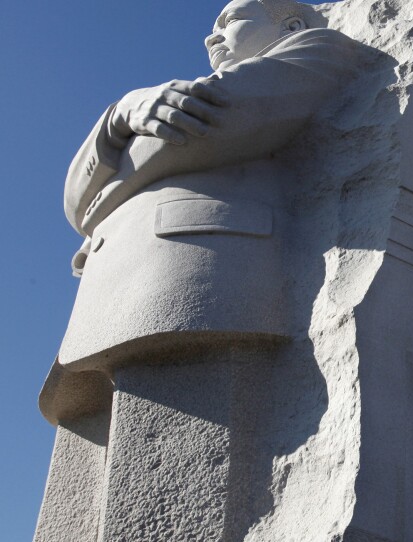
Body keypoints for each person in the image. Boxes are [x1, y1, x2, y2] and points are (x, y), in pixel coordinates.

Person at [41, 0, 374, 423]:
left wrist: (98, 197)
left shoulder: (321, 47)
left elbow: (204, 127)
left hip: (193, 280)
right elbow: (73, 203)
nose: (210, 36)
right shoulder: (147, 106)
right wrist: (122, 114)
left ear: (291, 25)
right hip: (109, 293)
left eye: (230, 20)